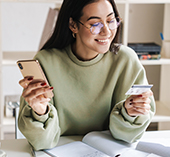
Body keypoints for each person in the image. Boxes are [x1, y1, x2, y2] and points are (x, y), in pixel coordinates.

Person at [18, 0, 155, 151]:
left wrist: (131, 113)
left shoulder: (125, 60)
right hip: (59, 151)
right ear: (73, 25)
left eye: (110, 21)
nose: (107, 32)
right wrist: (40, 112)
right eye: (96, 24)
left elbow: (127, 137)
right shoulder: (46, 61)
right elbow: (42, 143)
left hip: (109, 151)